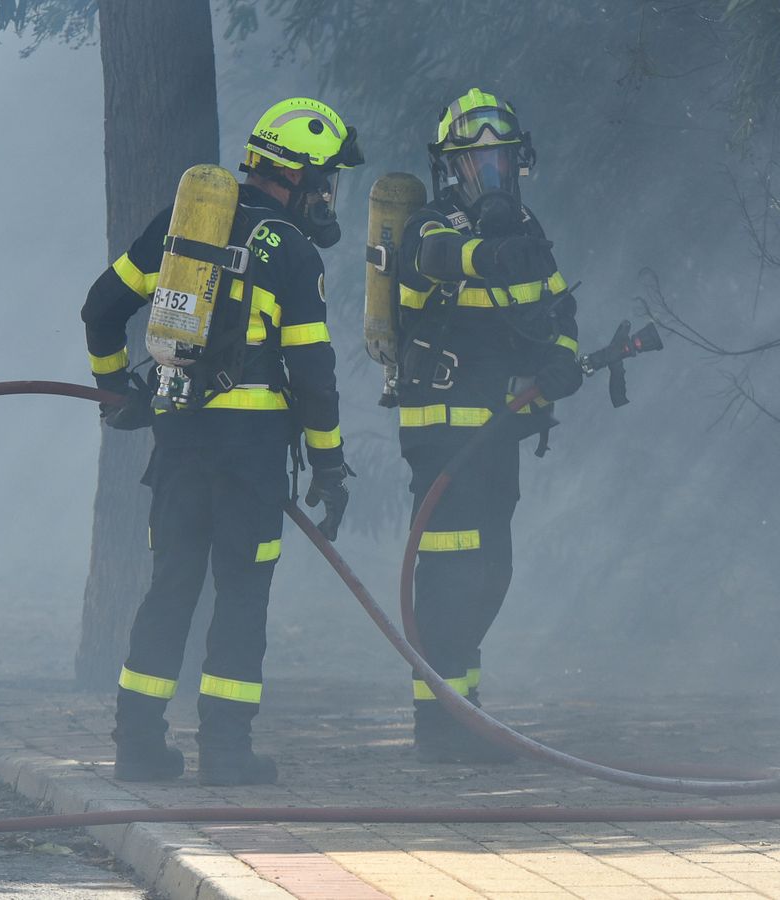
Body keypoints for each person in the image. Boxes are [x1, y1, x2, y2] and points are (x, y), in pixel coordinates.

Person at [80, 97, 361, 785]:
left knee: (171, 586)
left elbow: (100, 308)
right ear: (294, 177)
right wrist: (329, 465)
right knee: (241, 595)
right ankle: (226, 753)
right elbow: (314, 375)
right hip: (252, 456)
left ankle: (137, 745)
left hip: (178, 442)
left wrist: (117, 392)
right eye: (325, 179)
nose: (328, 195)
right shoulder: (292, 252)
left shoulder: (185, 229)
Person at [395, 88, 583, 763]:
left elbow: (560, 318)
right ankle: (437, 727)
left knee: (489, 573)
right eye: (477, 164)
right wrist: (488, 249)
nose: (491, 175)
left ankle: (463, 715)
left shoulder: (528, 234)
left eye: (500, 160)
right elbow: (439, 260)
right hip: (442, 434)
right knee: (449, 578)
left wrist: (563, 364)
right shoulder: (430, 225)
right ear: (453, 169)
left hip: (498, 434)